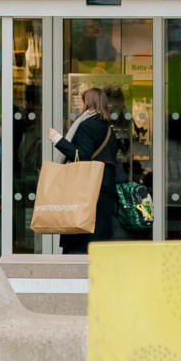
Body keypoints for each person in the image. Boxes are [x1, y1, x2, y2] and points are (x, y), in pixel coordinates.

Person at [51, 86, 129, 243]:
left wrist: (58, 140)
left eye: (82, 101)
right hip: (104, 189)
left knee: (81, 241)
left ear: (89, 102)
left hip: (87, 190)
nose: (80, 105)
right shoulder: (107, 128)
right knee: (97, 238)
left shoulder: (86, 125)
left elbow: (82, 155)